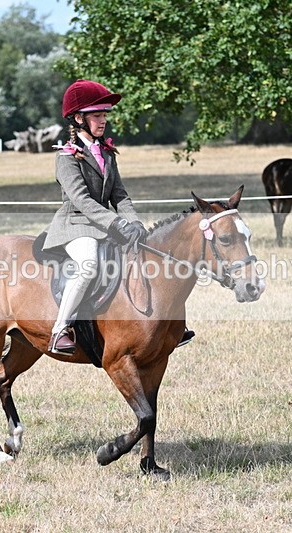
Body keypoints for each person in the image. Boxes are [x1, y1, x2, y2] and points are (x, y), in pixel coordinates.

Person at [43, 79, 195, 356]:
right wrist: (116, 223)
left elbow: (120, 195)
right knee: (89, 264)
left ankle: (169, 324)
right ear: (79, 119)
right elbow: (82, 200)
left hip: (107, 226)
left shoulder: (107, 153)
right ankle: (60, 330)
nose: (103, 121)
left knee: (149, 255)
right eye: (97, 116)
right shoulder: (66, 157)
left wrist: (134, 223)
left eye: (104, 116)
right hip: (75, 226)